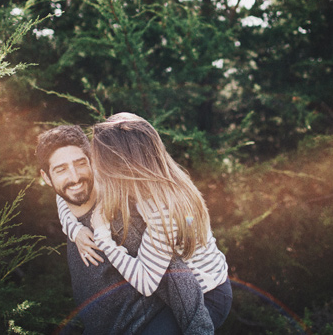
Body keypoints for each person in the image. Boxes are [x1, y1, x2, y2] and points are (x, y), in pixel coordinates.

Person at [57, 113, 232, 330]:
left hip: (207, 294)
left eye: (99, 160)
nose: (95, 168)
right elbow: (65, 193)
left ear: (121, 164)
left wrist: (103, 236)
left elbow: (146, 282)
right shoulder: (136, 179)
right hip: (170, 290)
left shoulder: (163, 209)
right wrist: (76, 230)